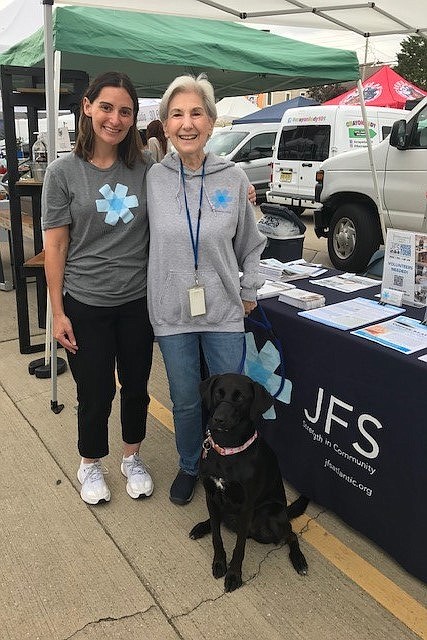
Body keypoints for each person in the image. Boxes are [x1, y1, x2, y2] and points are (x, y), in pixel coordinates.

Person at [146, 74, 266, 505]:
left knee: (232, 401)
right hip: (171, 312)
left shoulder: (233, 179)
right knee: (185, 401)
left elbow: (251, 244)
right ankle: (190, 465)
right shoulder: (153, 178)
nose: (187, 123)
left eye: (196, 112)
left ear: (212, 122)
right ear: (164, 125)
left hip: (223, 311)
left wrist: (250, 288)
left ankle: (228, 465)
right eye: (176, 114)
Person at [42, 72, 155, 505]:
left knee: (136, 386)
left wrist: (241, 192)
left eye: (125, 111)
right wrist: (57, 312)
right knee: (94, 392)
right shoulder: (62, 172)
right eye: (107, 107)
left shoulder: (145, 168)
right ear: (87, 107)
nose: (115, 118)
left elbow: (188, 185)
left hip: (136, 302)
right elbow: (55, 245)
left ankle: (132, 456)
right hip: (85, 302)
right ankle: (90, 463)